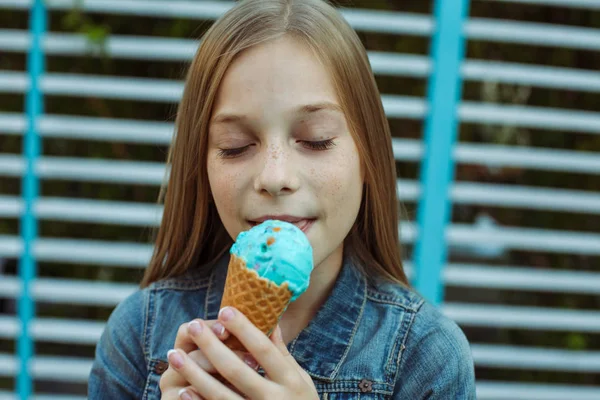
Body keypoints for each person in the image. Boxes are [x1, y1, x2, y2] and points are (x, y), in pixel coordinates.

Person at [88, 0, 476, 398]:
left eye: (316, 140)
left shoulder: (426, 358)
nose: (275, 178)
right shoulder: (138, 335)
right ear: (201, 166)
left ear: (368, 157)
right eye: (236, 146)